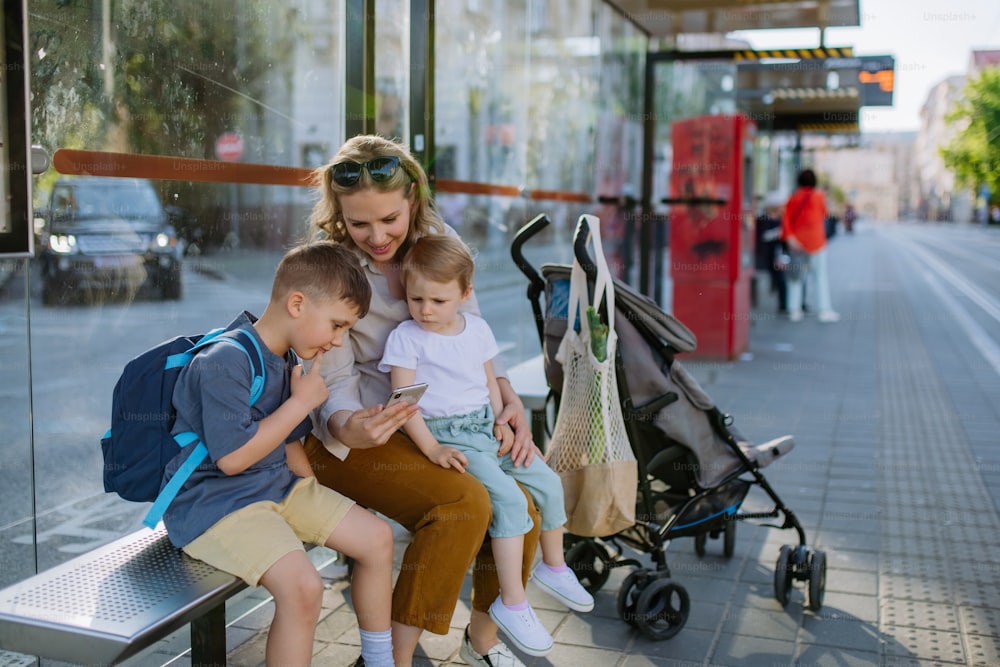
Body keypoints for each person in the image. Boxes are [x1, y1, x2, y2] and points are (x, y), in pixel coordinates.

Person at [302, 134, 543, 667]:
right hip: (360, 430)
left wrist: (505, 399)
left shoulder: (436, 237)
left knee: (521, 505)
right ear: (339, 214)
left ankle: (482, 638)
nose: (378, 235)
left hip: (446, 420)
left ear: (412, 198)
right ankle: (394, 657)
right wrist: (348, 428)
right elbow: (333, 382)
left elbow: (472, 327)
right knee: (462, 506)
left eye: (390, 218)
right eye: (359, 223)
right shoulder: (331, 268)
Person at [162, 241, 396, 667]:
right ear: (297, 303)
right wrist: (301, 402)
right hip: (216, 504)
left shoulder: (287, 357)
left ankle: (382, 661)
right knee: (304, 588)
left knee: (376, 538)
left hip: (275, 487)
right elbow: (232, 460)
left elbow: (289, 443)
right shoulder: (225, 360)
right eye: (337, 326)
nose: (339, 341)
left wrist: (315, 503)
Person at [378, 234, 593, 657]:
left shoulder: (477, 329)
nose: (425, 309)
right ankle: (512, 601)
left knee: (547, 483)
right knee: (511, 503)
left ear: (465, 293)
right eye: (416, 298)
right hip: (448, 435)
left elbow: (489, 381)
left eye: (438, 301)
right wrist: (432, 450)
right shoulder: (408, 337)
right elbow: (405, 405)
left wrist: (504, 423)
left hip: (484, 428)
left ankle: (555, 566)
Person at [781, 169, 840, 323]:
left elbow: (786, 220)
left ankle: (794, 311)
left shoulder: (793, 198)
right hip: (817, 243)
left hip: (798, 244)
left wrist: (790, 238)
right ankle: (824, 310)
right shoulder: (818, 197)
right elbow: (825, 214)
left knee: (796, 279)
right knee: (820, 276)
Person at [754, 192, 788, 314]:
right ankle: (783, 303)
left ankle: (784, 304)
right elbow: (761, 237)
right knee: (778, 277)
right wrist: (777, 233)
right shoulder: (762, 219)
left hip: (777, 254)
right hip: (764, 255)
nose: (782, 208)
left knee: (782, 278)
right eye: (779, 206)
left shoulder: (782, 219)